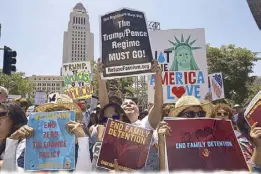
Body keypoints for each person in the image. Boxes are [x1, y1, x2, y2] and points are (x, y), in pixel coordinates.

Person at [1, 94, 92, 172]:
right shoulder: (35, 144)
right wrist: (13, 140)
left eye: (63, 114)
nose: (57, 118)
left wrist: (82, 139)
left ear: (73, 119)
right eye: (51, 113)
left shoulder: (79, 145)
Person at [159, 96, 213, 171]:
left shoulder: (209, 137)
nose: (197, 117)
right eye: (190, 114)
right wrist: (161, 142)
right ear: (178, 117)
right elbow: (164, 171)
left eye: (201, 113)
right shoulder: (170, 139)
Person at [0, 103, 27, 171]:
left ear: (16, 118)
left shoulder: (25, 143)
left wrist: (13, 140)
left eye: (2, 114)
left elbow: (15, 169)